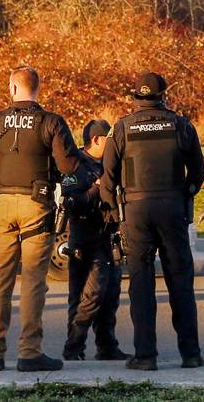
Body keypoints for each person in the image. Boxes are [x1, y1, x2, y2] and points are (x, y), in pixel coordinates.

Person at [0, 65, 82, 373]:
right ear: (38, 88)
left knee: (0, 280)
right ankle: (29, 352)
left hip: (3, 202)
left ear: (12, 88)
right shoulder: (51, 122)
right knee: (33, 281)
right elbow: (69, 165)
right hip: (37, 203)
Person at [100, 72, 204, 371]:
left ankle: (145, 356)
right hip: (172, 208)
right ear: (164, 96)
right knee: (181, 282)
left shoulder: (121, 128)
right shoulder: (181, 125)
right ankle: (191, 354)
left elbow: (107, 179)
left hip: (135, 211)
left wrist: (112, 212)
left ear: (135, 97)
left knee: (141, 286)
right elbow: (198, 173)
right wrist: (184, 194)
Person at [61, 119, 129, 362]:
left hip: (109, 235)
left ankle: (107, 346)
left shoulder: (112, 163)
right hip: (85, 238)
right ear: (97, 140)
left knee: (110, 294)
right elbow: (71, 200)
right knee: (87, 296)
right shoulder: (75, 165)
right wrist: (96, 189)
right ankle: (74, 346)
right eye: (108, 140)